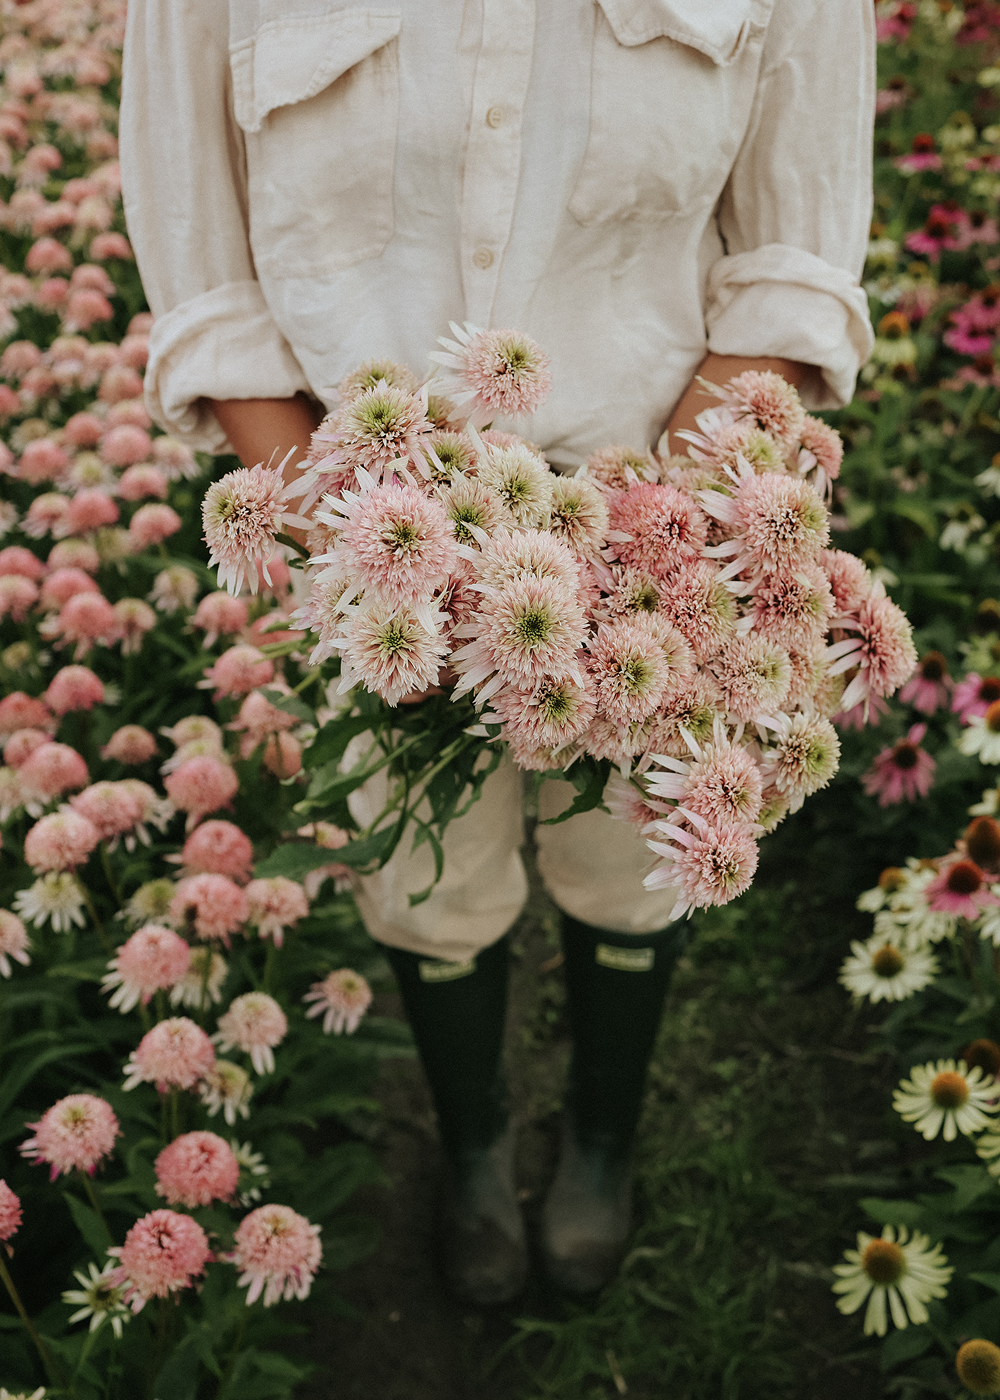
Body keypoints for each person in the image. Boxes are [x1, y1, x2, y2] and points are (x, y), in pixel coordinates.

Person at [120, 0, 875, 1306]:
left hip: (660, 536)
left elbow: (793, 249)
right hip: (361, 528)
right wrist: (355, 536)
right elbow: (202, 263)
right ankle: (472, 1147)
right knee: (424, 870)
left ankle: (599, 1141)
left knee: (639, 863)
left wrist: (652, 539)